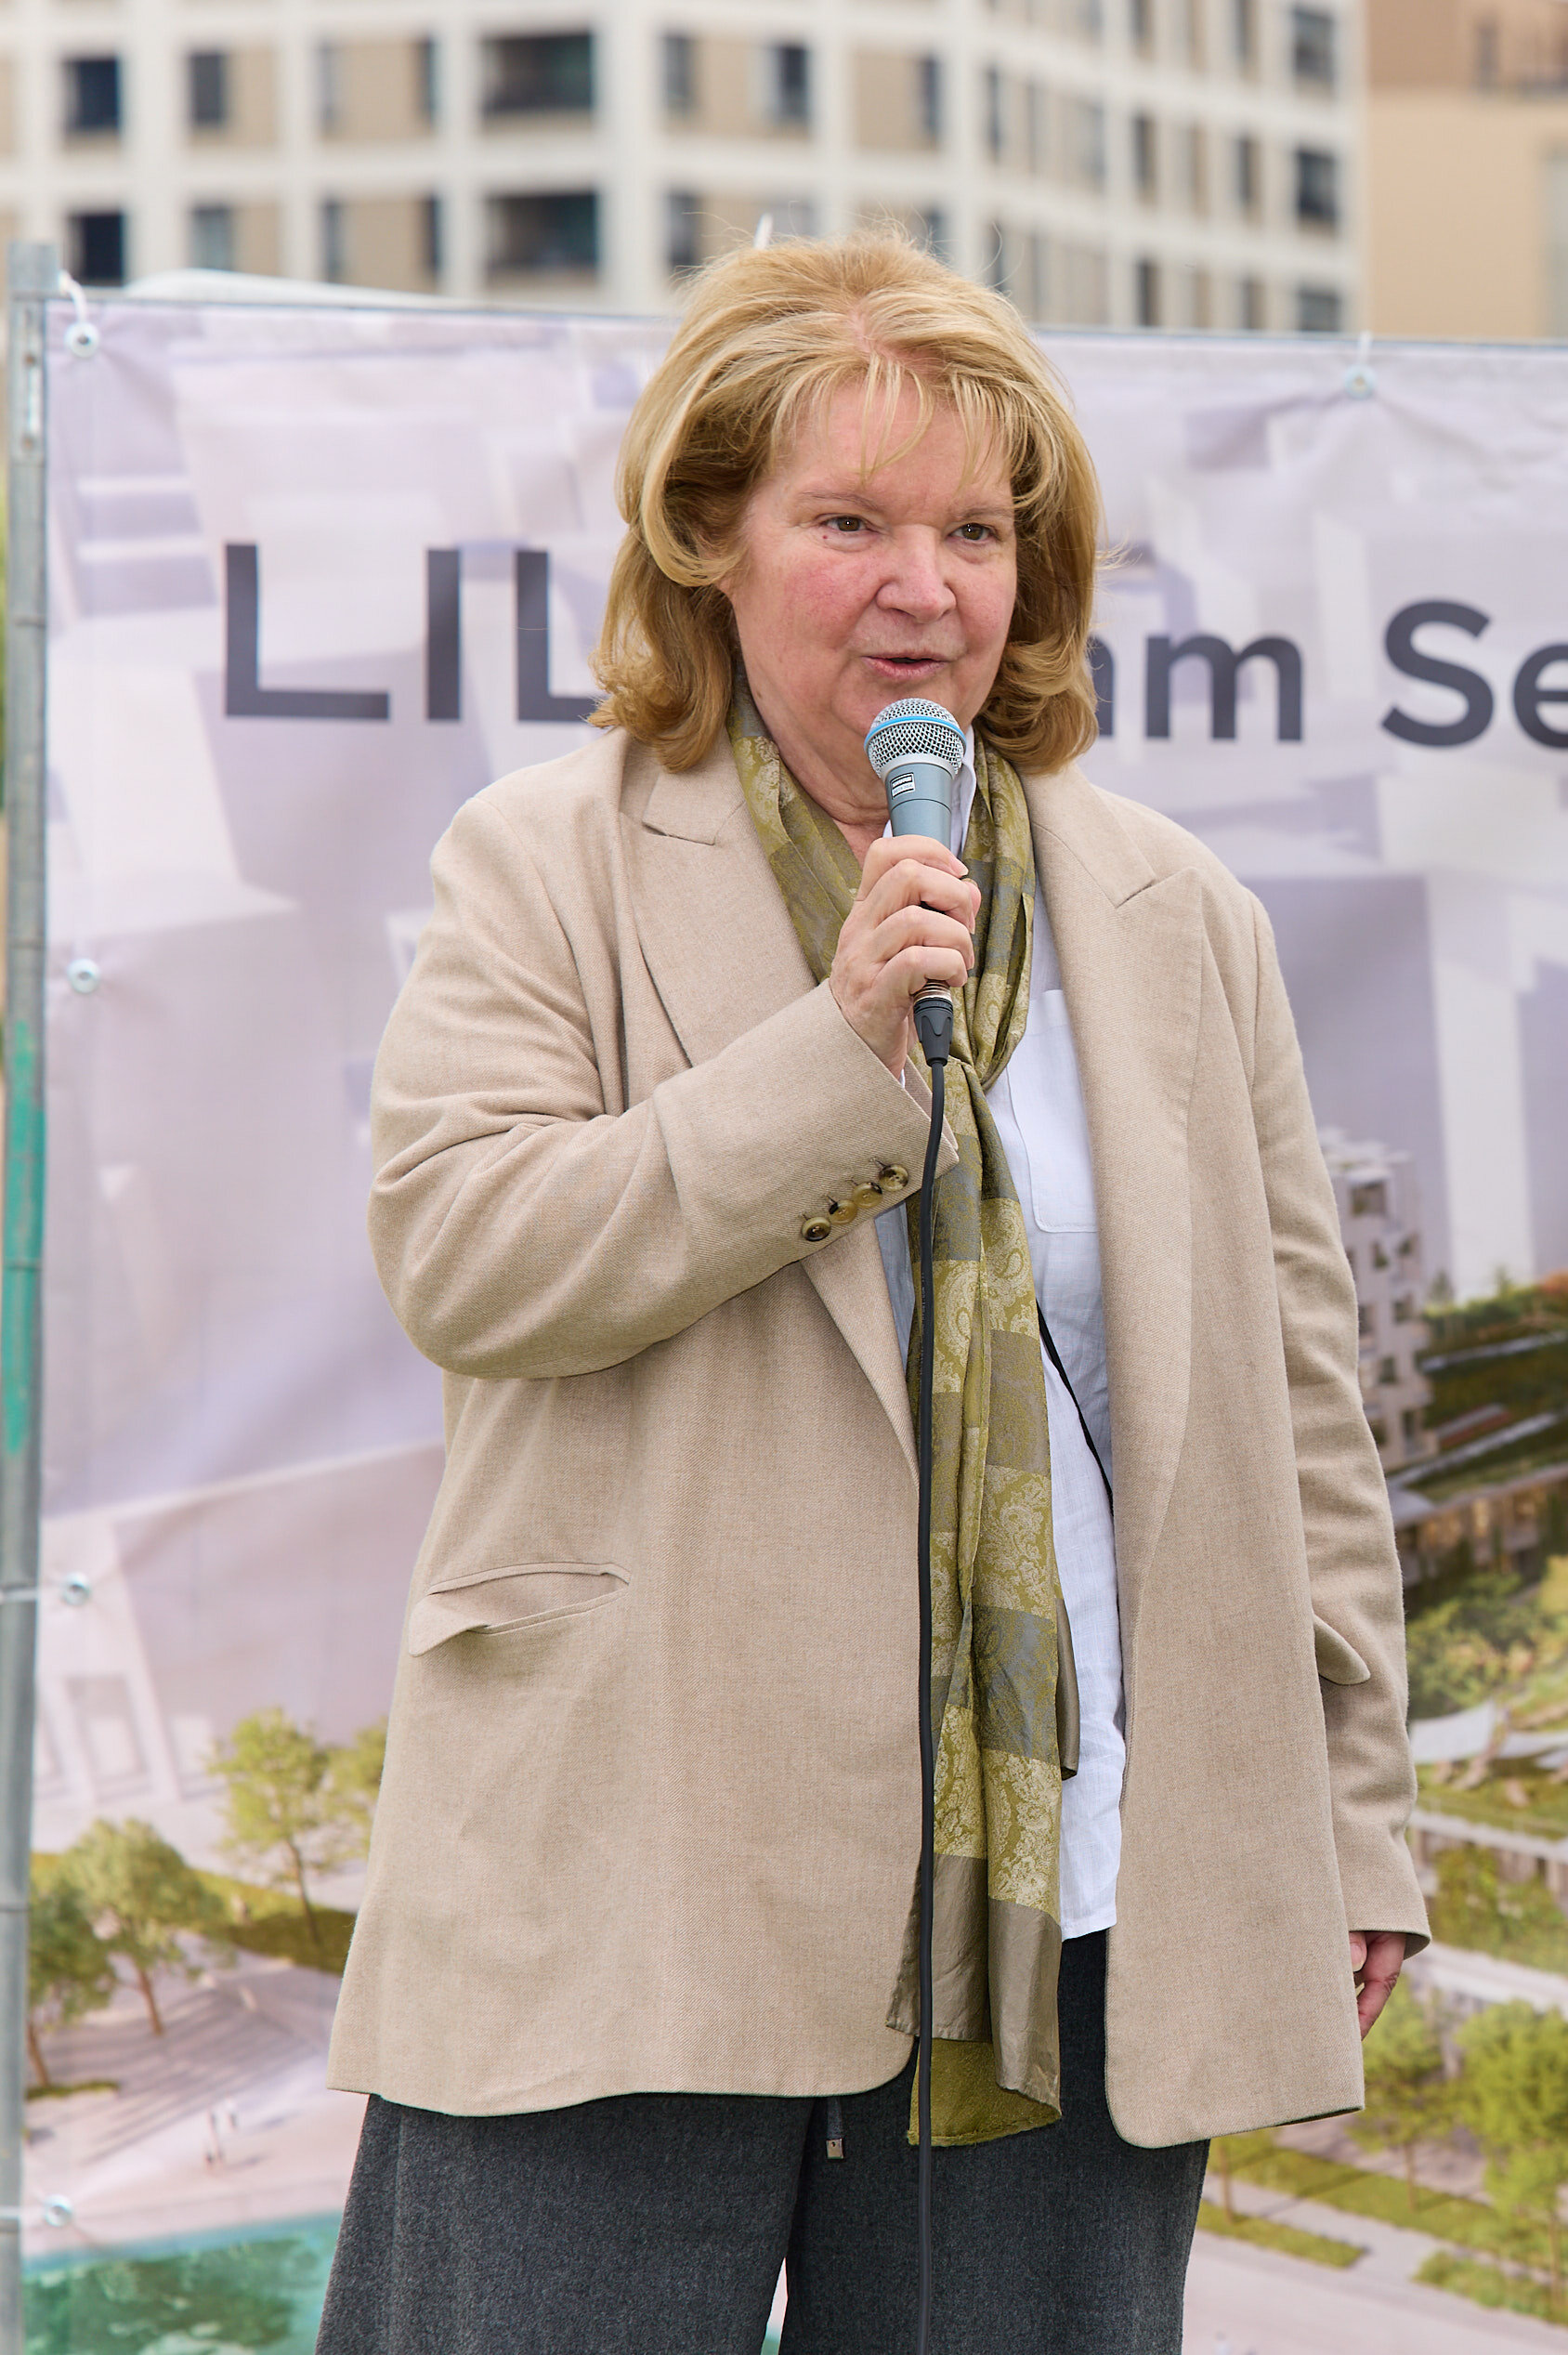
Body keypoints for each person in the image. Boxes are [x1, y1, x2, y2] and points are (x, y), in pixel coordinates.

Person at [319, 233, 1429, 2352]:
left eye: (978, 530)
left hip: (1055, 1895)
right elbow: (466, 1254)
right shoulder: (544, 858)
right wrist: (836, 1064)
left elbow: (1301, 1405)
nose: (928, 586)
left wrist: (1353, 1805)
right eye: (849, 521)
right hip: (634, 1858)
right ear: (709, 535)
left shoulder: (1168, 912)